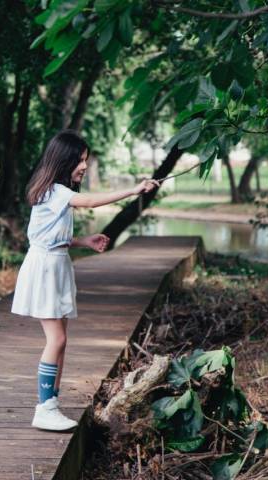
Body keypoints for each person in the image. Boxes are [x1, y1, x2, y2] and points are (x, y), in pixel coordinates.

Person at [11, 129, 160, 431]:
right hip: (45, 271)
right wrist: (133, 190)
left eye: (86, 160)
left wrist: (84, 242)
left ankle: (51, 401)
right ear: (64, 160)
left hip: (55, 265)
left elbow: (52, 237)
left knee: (61, 342)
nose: (84, 166)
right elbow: (91, 202)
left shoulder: (55, 193)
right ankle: (44, 408)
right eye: (80, 160)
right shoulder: (56, 191)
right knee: (58, 339)